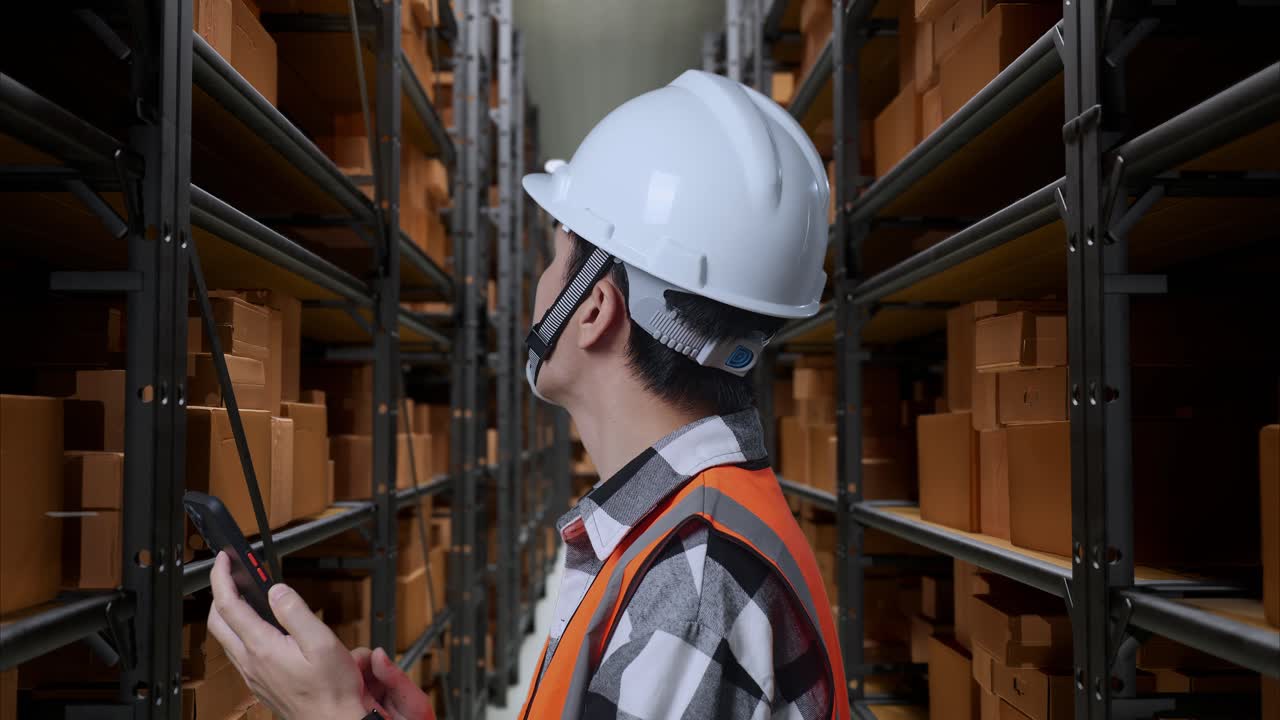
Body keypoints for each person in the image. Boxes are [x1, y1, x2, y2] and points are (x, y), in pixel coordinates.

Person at [209, 68, 846, 719]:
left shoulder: (690, 584)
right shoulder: (684, 527)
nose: (539, 286)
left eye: (554, 255)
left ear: (594, 309)